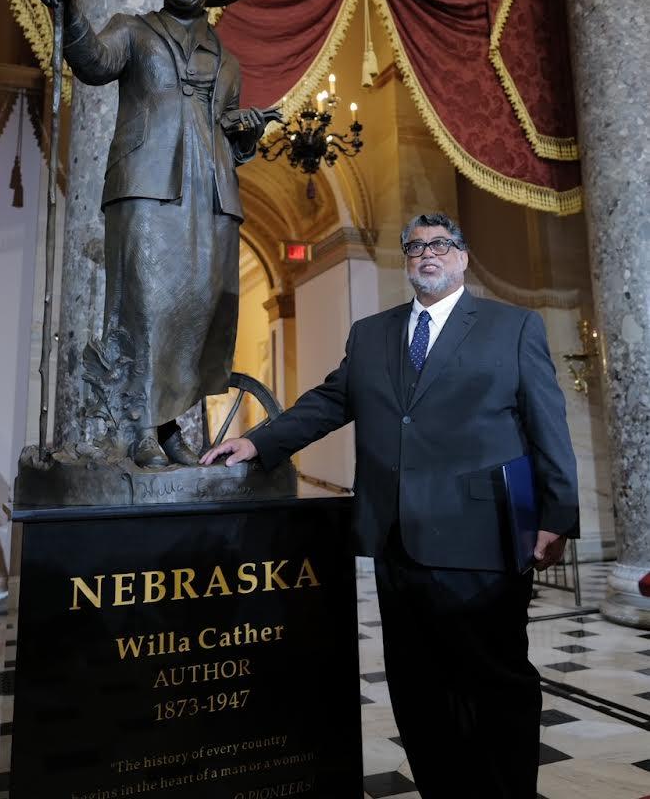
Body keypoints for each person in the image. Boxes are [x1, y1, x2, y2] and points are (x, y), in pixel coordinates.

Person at [202, 212, 580, 799]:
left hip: (480, 537)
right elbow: (330, 401)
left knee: (493, 679)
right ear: (406, 260)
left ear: (461, 257)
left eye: (440, 244)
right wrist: (258, 441)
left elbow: (547, 425)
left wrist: (558, 518)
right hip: (395, 540)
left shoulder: (513, 327)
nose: (427, 253)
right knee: (417, 686)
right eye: (415, 247)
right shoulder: (372, 333)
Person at [38, 0, 279, 469]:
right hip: (148, 184)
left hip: (212, 193)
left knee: (198, 308)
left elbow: (229, 136)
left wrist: (244, 133)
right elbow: (93, 63)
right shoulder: (133, 30)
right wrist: (69, 12)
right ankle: (138, 427)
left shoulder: (231, 61)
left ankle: (171, 423)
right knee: (145, 306)